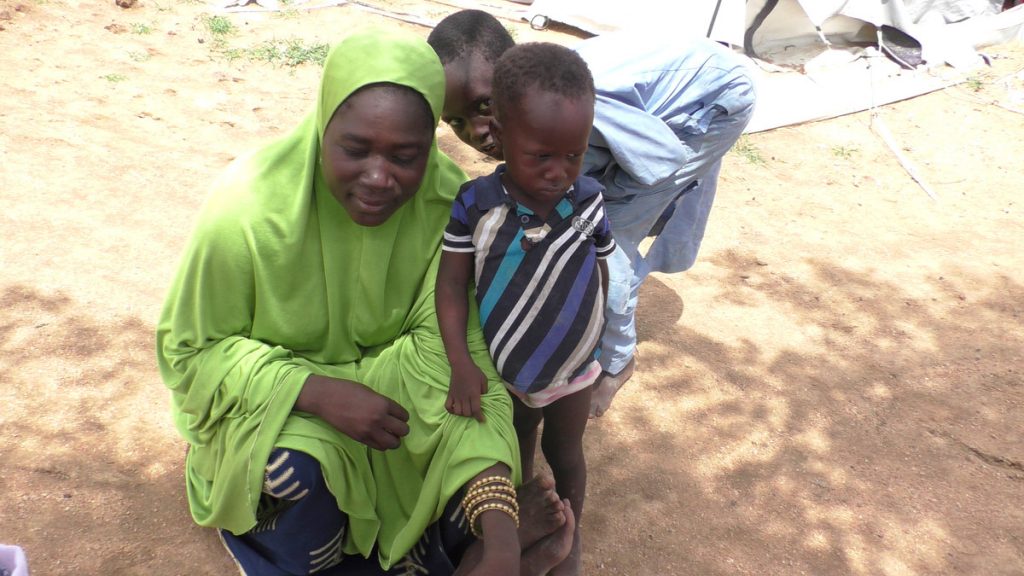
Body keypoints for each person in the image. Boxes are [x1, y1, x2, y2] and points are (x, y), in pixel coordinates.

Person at [156, 28, 575, 576]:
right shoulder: (246, 207)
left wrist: (496, 520)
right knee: (293, 470)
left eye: (406, 156)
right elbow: (190, 355)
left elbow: (457, 360)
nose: (379, 179)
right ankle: (433, 552)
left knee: (466, 419)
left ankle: (490, 542)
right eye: (355, 149)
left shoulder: (452, 206)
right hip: (278, 399)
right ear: (322, 129)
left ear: (431, 147)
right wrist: (313, 390)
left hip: (397, 389)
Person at [428, 10, 757, 418]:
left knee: (609, 240)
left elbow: (661, 157)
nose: (475, 132)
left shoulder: (567, 104)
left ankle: (616, 362)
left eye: (483, 105)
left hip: (716, 94)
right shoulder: (543, 93)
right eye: (455, 121)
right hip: (679, 77)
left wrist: (598, 200)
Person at [436, 43, 614, 576]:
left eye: (574, 154)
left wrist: (596, 328)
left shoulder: (589, 201)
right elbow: (450, 288)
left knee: (569, 454)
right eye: (542, 155)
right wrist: (462, 365)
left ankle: (570, 533)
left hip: (573, 367)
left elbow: (602, 266)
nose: (560, 171)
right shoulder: (476, 206)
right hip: (503, 370)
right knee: (515, 452)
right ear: (502, 134)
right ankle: (517, 534)